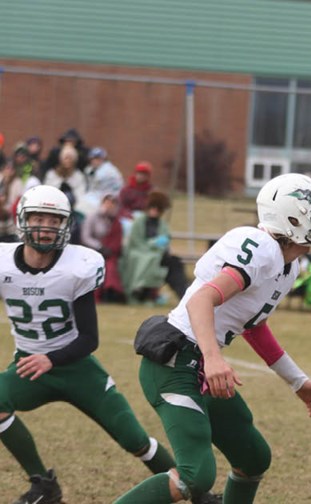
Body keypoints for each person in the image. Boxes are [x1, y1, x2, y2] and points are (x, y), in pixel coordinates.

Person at [115, 173, 311, 503]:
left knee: (253, 457)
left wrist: (297, 381)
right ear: (292, 218)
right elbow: (201, 299)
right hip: (176, 363)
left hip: (201, 363)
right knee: (196, 475)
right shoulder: (263, 249)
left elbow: (253, 326)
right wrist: (214, 357)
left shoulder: (287, 266)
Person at [0, 186, 191, 504]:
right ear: (23, 220)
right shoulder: (4, 261)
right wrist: (40, 359)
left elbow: (89, 339)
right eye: (38, 217)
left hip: (76, 368)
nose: (45, 226)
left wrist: (51, 358)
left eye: (54, 219)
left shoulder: (78, 265)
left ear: (65, 225)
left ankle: (195, 489)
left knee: (135, 440)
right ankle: (43, 485)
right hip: (28, 364)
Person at [120, 192, 188, 304]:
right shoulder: (139, 222)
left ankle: (184, 295)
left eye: (158, 208)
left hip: (158, 255)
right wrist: (153, 244)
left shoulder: (162, 224)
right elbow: (135, 242)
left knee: (175, 263)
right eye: (153, 207)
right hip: (139, 255)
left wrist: (161, 245)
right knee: (151, 260)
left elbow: (165, 241)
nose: (154, 211)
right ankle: (140, 291)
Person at [81, 194, 126, 303]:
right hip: (92, 251)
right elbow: (85, 237)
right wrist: (100, 247)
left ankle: (110, 293)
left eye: (113, 204)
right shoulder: (92, 217)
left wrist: (110, 249)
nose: (110, 206)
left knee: (111, 267)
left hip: (110, 253)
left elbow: (117, 239)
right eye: (107, 203)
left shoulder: (116, 221)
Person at [79, 146, 124, 217]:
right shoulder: (90, 169)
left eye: (97, 158)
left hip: (108, 198)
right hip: (95, 195)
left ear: (103, 159)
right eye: (93, 158)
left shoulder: (109, 171)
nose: (95, 161)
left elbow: (115, 191)